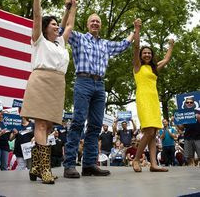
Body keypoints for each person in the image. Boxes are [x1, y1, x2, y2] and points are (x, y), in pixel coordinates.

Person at [62, 14, 140, 178]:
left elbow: (123, 45)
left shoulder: (105, 44)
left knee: (95, 126)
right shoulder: (79, 38)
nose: (95, 23)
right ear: (87, 24)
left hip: (100, 85)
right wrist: (69, 9)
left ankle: (89, 164)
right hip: (83, 81)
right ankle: (69, 164)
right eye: (92, 21)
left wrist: (135, 30)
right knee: (77, 122)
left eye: (98, 21)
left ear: (101, 25)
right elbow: (63, 30)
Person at [20, 0, 77, 184]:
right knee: (41, 125)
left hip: (57, 84)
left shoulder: (60, 43)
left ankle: (35, 166)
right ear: (45, 28)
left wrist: (73, 6)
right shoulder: (39, 40)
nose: (56, 26)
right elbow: (37, 15)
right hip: (41, 81)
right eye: (52, 24)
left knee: (49, 127)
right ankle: (44, 169)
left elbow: (69, 25)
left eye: (56, 24)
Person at [132, 18, 174, 172]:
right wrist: (137, 29)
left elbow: (167, 58)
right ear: (141, 55)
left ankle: (154, 164)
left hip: (154, 100)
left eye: (149, 53)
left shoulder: (155, 68)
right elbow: (136, 46)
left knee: (154, 132)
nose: (147, 55)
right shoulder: (137, 66)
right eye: (145, 53)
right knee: (148, 131)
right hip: (143, 100)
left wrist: (171, 45)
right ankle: (136, 159)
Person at [177, 97, 200, 166]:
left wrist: (198, 118)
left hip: (198, 137)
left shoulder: (198, 112)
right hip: (188, 138)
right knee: (189, 158)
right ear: (185, 104)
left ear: (194, 103)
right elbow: (182, 128)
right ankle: (191, 171)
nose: (189, 103)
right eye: (187, 102)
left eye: (191, 102)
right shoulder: (183, 114)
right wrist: (176, 122)